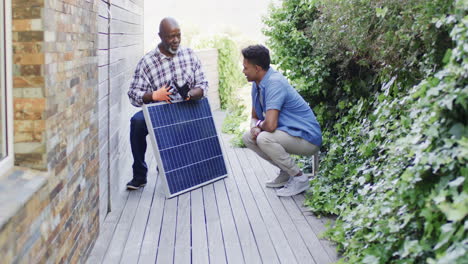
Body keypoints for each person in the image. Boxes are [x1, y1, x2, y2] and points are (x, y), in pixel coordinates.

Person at [126, 17, 208, 190]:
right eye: (171, 36)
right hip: (160, 110)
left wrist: (192, 94)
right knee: (137, 122)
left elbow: (203, 85)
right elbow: (133, 95)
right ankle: (140, 175)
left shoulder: (189, 55)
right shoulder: (147, 62)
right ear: (160, 36)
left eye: (178, 35)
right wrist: (155, 95)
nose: (176, 40)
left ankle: (169, 164)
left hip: (185, 109)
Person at [241, 45, 322, 197]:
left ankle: (299, 178)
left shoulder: (274, 82)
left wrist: (259, 126)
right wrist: (254, 126)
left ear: (257, 68)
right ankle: (286, 173)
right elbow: (254, 116)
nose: (243, 71)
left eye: (245, 68)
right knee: (248, 137)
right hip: (289, 134)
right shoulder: (257, 84)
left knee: (264, 138)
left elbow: (270, 126)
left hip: (307, 139)